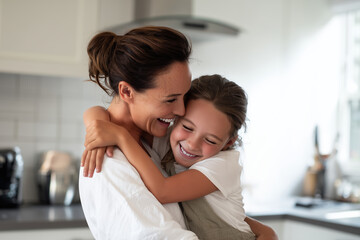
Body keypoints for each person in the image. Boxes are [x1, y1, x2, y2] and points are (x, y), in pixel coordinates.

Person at [80, 26, 278, 240]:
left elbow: (204, 211)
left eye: (184, 97)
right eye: (171, 99)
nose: (182, 111)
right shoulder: (108, 162)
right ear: (127, 92)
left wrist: (262, 231)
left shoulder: (155, 139)